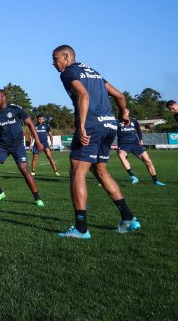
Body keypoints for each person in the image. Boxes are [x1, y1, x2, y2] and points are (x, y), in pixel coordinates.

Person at [52, 45, 140, 239]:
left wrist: (81, 126)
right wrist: (124, 113)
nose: (53, 63)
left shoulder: (68, 72)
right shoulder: (93, 72)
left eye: (56, 58)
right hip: (109, 126)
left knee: (77, 172)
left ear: (66, 57)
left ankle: (81, 229)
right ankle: (128, 218)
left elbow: (83, 95)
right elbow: (120, 95)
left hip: (91, 126)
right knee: (101, 171)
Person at [0, 90, 44, 207]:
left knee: (24, 169)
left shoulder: (15, 109)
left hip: (17, 145)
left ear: (4, 97)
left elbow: (30, 124)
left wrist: (37, 142)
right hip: (3, 145)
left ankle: (37, 198)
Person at [116, 111, 165, 186]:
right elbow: (111, 132)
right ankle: (132, 176)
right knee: (121, 155)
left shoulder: (133, 120)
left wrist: (141, 139)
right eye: (123, 111)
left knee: (148, 161)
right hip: (123, 144)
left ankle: (156, 181)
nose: (125, 113)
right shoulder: (116, 122)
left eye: (126, 112)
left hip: (135, 144)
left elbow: (138, 130)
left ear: (128, 113)